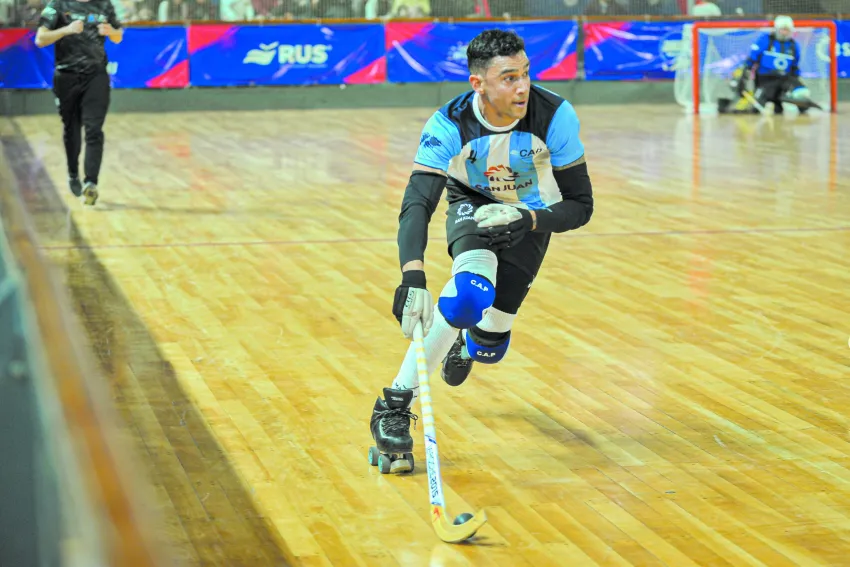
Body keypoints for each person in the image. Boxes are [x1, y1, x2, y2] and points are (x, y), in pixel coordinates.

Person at [368, 29, 595, 473]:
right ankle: (393, 405)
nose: (522, 86)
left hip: (531, 216)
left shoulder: (555, 116)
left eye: (526, 73)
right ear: (478, 83)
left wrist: (528, 220)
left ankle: (467, 343)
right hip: (472, 203)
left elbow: (581, 206)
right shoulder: (449, 123)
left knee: (491, 345)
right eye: (509, 78)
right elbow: (418, 202)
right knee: (467, 298)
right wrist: (412, 276)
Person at [35, 0, 124, 205]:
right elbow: (40, 39)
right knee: (72, 128)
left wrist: (111, 31)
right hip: (67, 76)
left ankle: (91, 182)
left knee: (94, 128)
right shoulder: (57, 5)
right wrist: (66, 30)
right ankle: (73, 173)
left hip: (96, 75)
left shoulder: (104, 5)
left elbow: (118, 36)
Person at [721, 15, 819, 115]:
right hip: (765, 79)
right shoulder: (765, 40)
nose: (784, 33)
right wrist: (743, 72)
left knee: (800, 93)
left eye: (787, 30)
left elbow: (795, 66)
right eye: (782, 29)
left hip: (784, 79)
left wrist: (795, 80)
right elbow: (752, 58)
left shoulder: (793, 45)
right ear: (777, 29)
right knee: (757, 108)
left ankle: (801, 108)